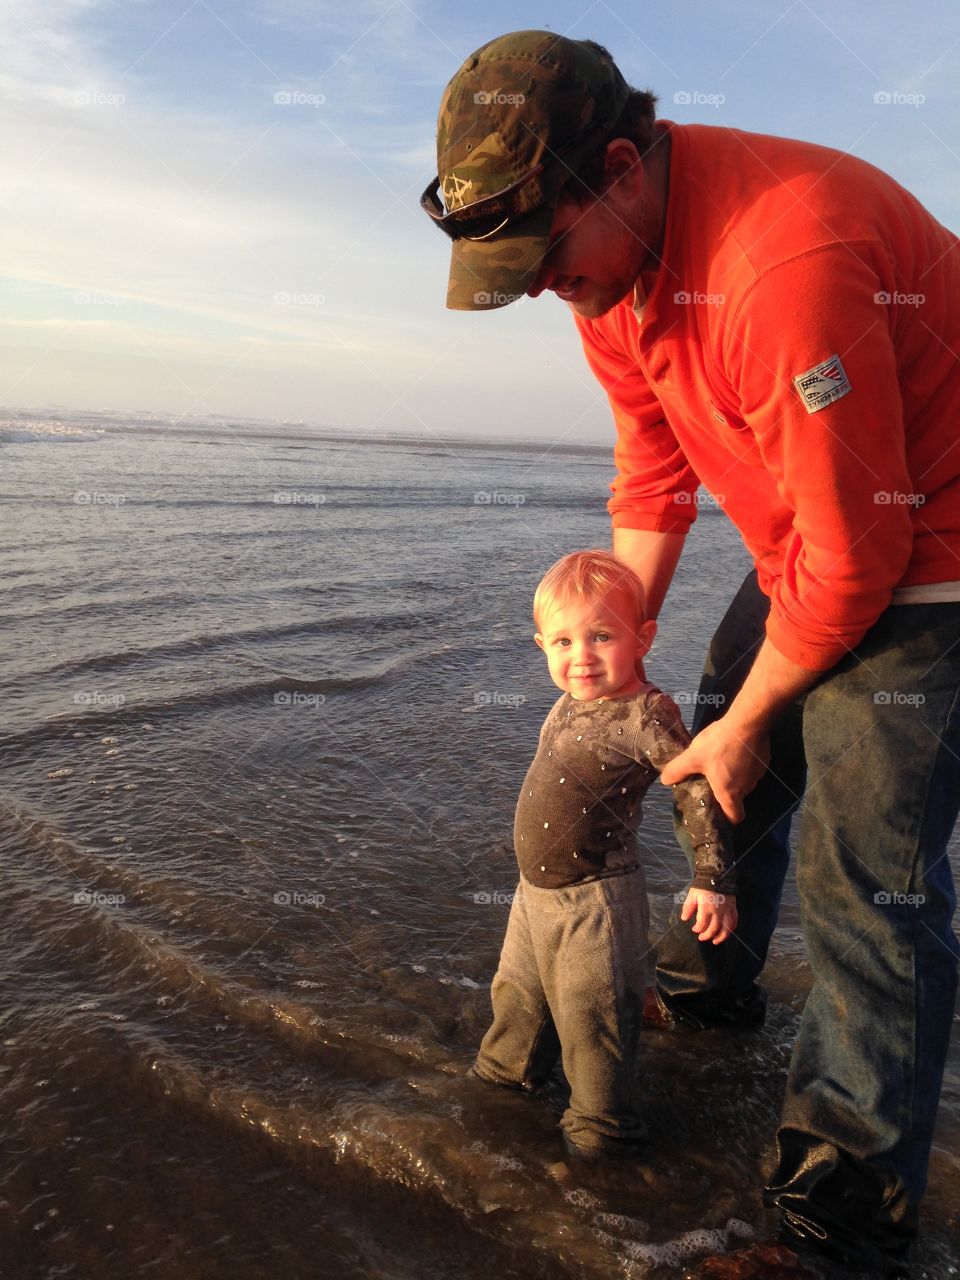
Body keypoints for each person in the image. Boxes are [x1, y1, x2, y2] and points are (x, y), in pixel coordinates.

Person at [422, 29, 960, 1279]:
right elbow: (654, 473)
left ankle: (840, 1225)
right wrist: (627, 643)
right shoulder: (608, 275)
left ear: (617, 166)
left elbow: (862, 563)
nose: (546, 285)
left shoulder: (786, 262)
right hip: (818, 546)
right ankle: (714, 985)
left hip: (931, 550)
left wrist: (753, 710)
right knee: (723, 754)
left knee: (867, 885)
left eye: (545, 253)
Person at [473, 548, 737, 1158]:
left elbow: (694, 785)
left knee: (595, 1029)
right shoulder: (572, 698)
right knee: (516, 1003)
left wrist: (711, 877)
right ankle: (499, 1091)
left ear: (643, 638)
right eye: (562, 642)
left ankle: (603, 1145)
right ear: (542, 646)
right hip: (533, 894)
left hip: (593, 902)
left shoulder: (646, 713)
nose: (581, 657)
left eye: (600, 636)